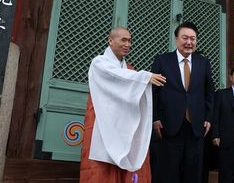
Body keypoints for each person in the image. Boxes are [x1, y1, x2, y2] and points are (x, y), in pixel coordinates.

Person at [80, 27, 166, 183]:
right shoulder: (99, 63)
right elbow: (116, 76)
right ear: (110, 41)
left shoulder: (130, 69)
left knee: (125, 168)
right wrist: (144, 77)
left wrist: (141, 81)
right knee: (100, 169)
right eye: (123, 40)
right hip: (101, 123)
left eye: (130, 41)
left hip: (123, 128)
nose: (128, 44)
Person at [150, 21, 214, 183]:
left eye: (193, 38)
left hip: (196, 127)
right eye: (185, 38)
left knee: (193, 173)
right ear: (176, 39)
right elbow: (153, 93)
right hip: (168, 126)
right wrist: (155, 118)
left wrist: (208, 118)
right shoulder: (162, 60)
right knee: (168, 172)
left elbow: (209, 93)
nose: (189, 42)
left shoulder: (203, 62)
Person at [211, 66, 234, 183]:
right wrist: (215, 135)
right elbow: (215, 116)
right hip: (226, 140)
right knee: (225, 173)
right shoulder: (221, 94)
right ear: (230, 78)